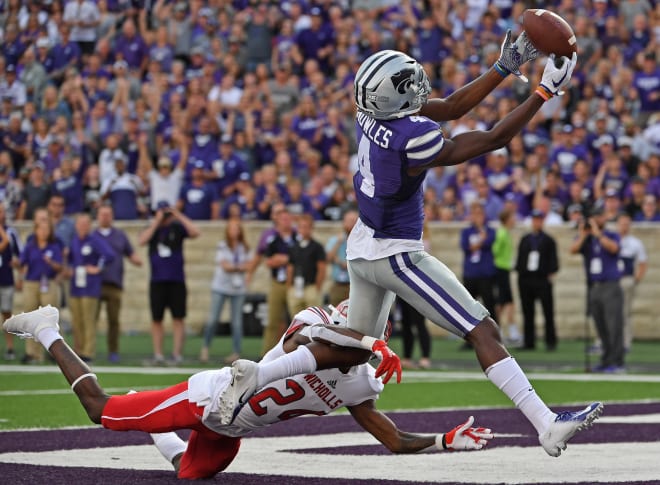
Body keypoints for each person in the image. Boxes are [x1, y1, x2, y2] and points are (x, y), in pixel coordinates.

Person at [218, 39, 602, 457]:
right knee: (482, 330)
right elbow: (491, 139)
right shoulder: (412, 137)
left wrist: (503, 67)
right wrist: (544, 92)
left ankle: (257, 375)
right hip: (394, 254)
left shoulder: (368, 114)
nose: (419, 86)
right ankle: (546, 424)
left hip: (362, 244)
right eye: (409, 84)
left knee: (348, 348)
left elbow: (454, 106)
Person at [4, 304, 493, 480]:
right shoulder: (313, 328)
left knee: (190, 473)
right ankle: (48, 330)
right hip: (210, 397)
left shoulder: (360, 383)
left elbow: (393, 440)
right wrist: (368, 344)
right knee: (99, 412)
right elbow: (309, 345)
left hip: (233, 429)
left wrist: (443, 441)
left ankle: (155, 420)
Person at [138, 201, 200, 365]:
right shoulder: (151, 228)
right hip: (157, 280)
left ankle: (176, 354)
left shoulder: (178, 228)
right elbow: (141, 241)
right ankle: (158, 354)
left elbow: (195, 232)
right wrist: (157, 221)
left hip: (176, 279)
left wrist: (178, 214)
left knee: (178, 317)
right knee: (156, 318)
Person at [569, 202, 624, 372]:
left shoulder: (611, 235)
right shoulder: (587, 239)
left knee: (613, 324)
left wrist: (598, 233)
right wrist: (584, 234)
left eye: (599, 216)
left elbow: (614, 248)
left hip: (610, 285)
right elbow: (573, 249)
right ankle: (606, 359)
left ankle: (617, 361)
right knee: (600, 325)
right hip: (594, 286)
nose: (596, 219)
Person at [94, 204, 143, 363]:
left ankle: (113, 351)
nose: (105, 217)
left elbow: (130, 253)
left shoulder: (119, 235)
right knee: (91, 319)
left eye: (108, 214)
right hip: (94, 284)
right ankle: (89, 350)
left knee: (113, 321)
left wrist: (137, 260)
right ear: (98, 216)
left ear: (112, 216)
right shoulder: (92, 236)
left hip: (114, 284)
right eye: (103, 214)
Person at [199, 218, 251, 365]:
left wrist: (238, 267)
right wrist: (240, 267)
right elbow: (225, 266)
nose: (234, 231)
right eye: (232, 228)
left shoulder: (244, 247)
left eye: (237, 228)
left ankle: (236, 352)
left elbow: (249, 265)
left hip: (238, 288)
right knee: (213, 319)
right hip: (221, 286)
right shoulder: (222, 246)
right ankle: (205, 347)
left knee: (237, 322)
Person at [66, 213, 115, 362]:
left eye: (85, 224)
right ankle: (79, 349)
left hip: (90, 286)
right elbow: (70, 259)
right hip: (76, 285)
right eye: (80, 224)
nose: (82, 227)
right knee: (76, 320)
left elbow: (109, 255)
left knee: (88, 320)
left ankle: (88, 352)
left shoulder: (95, 240)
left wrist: (97, 268)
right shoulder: (74, 241)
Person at [17, 209, 63, 363]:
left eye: (46, 229)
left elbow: (60, 267)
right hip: (32, 283)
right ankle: (32, 353)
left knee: (49, 321)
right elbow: (22, 263)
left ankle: (53, 352)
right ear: (36, 230)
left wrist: (51, 263)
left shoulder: (54, 247)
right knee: (31, 319)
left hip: (48, 283)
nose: (43, 232)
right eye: (41, 229)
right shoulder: (30, 246)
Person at [514, 209, 560, 351]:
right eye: (534, 220)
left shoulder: (548, 240)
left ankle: (550, 341)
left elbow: (554, 262)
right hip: (527, 279)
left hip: (542, 279)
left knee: (548, 311)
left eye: (539, 220)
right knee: (528, 312)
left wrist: (549, 274)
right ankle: (529, 341)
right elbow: (520, 259)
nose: (536, 223)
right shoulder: (526, 239)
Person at [616, 212, 647, 352]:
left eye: (627, 224)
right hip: (611, 280)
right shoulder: (613, 239)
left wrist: (636, 279)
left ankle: (625, 342)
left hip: (626, 279)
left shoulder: (635, 243)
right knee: (608, 312)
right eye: (622, 223)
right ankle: (604, 342)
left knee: (625, 312)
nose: (624, 226)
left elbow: (642, 263)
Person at [286, 213, 326, 315]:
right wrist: (289, 285)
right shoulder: (294, 247)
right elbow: (290, 266)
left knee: (313, 317)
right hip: (296, 286)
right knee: (296, 317)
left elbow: (321, 268)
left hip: (311, 286)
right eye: (301, 227)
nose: (303, 229)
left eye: (306, 227)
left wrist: (317, 287)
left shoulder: (317, 247)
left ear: (311, 228)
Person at [492, 207, 521, 345]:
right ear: (507, 219)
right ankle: (505, 330)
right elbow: (495, 250)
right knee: (505, 302)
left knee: (505, 302)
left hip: (504, 269)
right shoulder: (502, 234)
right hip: (500, 270)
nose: (514, 220)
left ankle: (502, 330)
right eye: (512, 217)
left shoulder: (505, 233)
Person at [0, 203, 21, 360]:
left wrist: (18, 272)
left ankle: (10, 348)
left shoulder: (11, 232)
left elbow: (19, 256)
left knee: (7, 315)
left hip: (6, 279)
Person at [325, 209, 358, 305]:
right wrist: (338, 243)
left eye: (353, 221)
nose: (351, 224)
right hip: (338, 284)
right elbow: (328, 258)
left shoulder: (361, 242)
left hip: (355, 285)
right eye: (349, 221)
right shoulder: (335, 240)